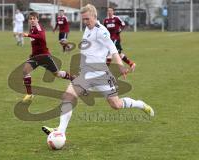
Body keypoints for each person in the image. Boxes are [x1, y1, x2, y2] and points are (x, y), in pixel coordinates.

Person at [42, 4, 154, 136]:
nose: (85, 22)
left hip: (101, 75)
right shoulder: (88, 28)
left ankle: (140, 104)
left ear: (94, 16)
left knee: (116, 105)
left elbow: (113, 49)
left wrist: (120, 66)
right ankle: (61, 131)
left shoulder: (101, 31)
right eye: (83, 19)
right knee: (68, 97)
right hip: (85, 74)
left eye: (87, 19)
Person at [22, 12, 74, 102]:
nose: (32, 20)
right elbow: (36, 44)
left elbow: (41, 37)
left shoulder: (38, 27)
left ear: (38, 19)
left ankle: (73, 78)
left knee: (57, 74)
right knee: (25, 71)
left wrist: (28, 35)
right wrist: (32, 54)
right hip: (36, 57)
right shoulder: (32, 28)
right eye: (30, 19)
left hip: (44, 56)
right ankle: (29, 94)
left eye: (34, 18)